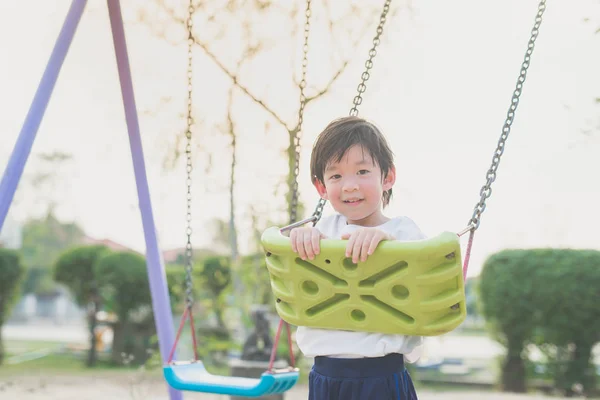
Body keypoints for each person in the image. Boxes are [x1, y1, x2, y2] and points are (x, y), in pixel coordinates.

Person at [288, 116, 425, 400]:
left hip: (381, 377)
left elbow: (421, 275)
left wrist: (384, 241)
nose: (349, 185)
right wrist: (303, 238)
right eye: (336, 176)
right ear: (322, 188)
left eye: (362, 171)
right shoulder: (323, 231)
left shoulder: (402, 230)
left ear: (387, 177)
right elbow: (303, 283)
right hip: (325, 378)